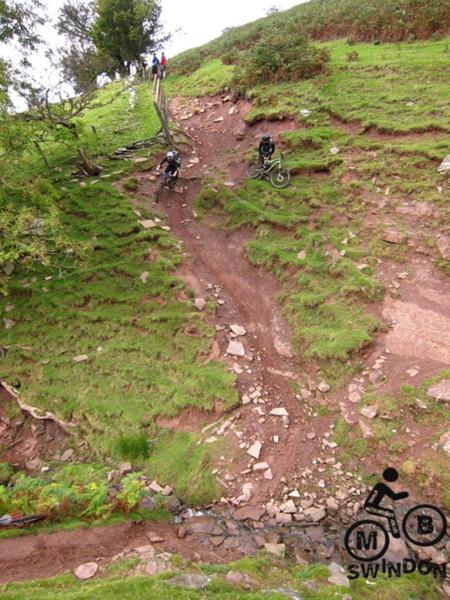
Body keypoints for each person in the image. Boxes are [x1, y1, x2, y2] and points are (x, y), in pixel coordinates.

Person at [363, 468, 409, 538]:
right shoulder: (383, 487)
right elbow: (394, 497)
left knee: (390, 513)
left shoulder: (380, 485)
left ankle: (393, 531)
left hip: (370, 506)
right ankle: (395, 534)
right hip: (371, 507)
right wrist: (405, 494)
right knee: (390, 514)